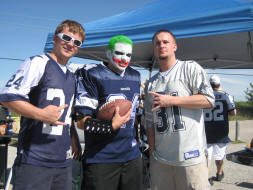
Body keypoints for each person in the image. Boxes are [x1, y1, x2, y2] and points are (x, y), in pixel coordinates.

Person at [0, 19, 85, 190]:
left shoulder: (71, 76)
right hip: (35, 158)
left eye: (76, 42)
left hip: (63, 160)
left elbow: (66, 114)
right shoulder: (38, 63)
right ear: (54, 38)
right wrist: (41, 114)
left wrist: (73, 137)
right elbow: (7, 97)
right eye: (66, 38)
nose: (70, 44)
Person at [144, 29, 215, 190]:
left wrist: (172, 100)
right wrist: (152, 151)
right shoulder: (151, 83)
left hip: (190, 159)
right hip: (161, 160)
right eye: (157, 43)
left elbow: (209, 100)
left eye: (165, 42)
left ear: (174, 46)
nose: (161, 45)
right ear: (154, 49)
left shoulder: (189, 68)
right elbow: (149, 121)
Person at [74, 35, 142, 190]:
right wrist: (110, 126)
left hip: (131, 156)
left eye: (128, 55)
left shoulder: (135, 75)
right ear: (108, 53)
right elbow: (81, 122)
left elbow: (133, 118)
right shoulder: (91, 74)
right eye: (119, 53)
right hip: (102, 157)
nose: (124, 58)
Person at [204, 75, 237, 183]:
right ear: (219, 84)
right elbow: (233, 113)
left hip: (207, 131)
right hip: (221, 131)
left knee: (207, 158)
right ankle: (219, 173)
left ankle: (206, 179)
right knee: (219, 156)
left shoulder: (205, 95)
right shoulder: (226, 95)